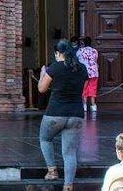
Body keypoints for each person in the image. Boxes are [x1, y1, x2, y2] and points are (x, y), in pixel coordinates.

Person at [38, 39, 88, 191]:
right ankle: (68, 185)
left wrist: (42, 74)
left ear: (58, 53)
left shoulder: (55, 67)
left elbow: (42, 88)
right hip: (76, 114)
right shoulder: (82, 68)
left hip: (55, 112)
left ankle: (52, 171)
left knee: (45, 139)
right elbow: (83, 89)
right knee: (70, 152)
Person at [77, 37, 98, 113]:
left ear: (84, 43)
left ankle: (84, 105)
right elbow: (95, 60)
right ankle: (93, 105)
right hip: (93, 72)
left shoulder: (80, 51)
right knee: (93, 88)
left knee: (84, 88)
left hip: (84, 72)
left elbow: (78, 61)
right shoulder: (94, 51)